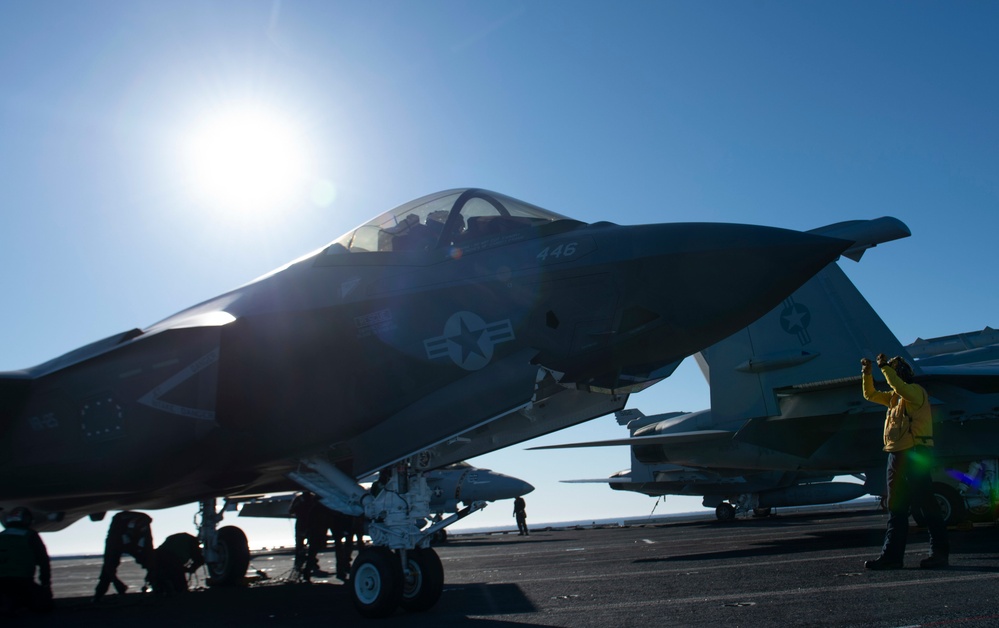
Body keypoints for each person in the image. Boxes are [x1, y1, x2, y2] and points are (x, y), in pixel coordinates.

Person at [861, 353, 949, 570]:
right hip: (896, 454)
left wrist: (883, 368)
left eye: (893, 371)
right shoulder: (893, 398)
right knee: (896, 508)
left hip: (914, 453)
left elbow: (899, 387)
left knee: (927, 504)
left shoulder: (916, 393)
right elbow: (870, 394)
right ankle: (891, 557)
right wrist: (867, 373)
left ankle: (939, 554)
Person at [93, 511, 156, 602]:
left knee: (150, 561)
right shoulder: (115, 538)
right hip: (121, 532)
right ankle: (99, 594)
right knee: (109, 566)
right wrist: (116, 581)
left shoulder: (143, 531)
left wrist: (151, 572)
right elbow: (109, 564)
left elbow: (149, 553)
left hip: (134, 530)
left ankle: (158, 586)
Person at [0, 507, 53, 615]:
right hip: (23, 581)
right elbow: (43, 561)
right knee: (45, 606)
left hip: (2, 582)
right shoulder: (30, 535)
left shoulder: (2, 535)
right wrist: (46, 585)